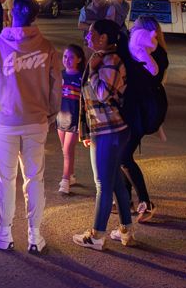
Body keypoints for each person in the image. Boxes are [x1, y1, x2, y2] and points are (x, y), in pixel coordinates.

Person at [0, 0, 61, 253]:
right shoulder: (46, 48)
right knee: (34, 177)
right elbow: (56, 85)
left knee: (5, 179)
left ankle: (4, 231)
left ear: (11, 12)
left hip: (4, 122)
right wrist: (50, 113)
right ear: (35, 16)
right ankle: (35, 235)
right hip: (36, 121)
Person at [72, 18, 135, 250]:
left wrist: (93, 72)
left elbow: (101, 94)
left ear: (104, 38)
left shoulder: (111, 61)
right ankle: (126, 230)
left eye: (91, 33)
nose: (87, 37)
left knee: (102, 184)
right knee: (115, 180)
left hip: (110, 131)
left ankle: (97, 235)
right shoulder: (102, 59)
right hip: (106, 130)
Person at [120, 18, 169, 223]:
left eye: (137, 26)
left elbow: (152, 78)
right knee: (125, 153)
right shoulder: (134, 47)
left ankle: (145, 202)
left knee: (124, 155)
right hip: (136, 107)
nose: (132, 28)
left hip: (142, 109)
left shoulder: (155, 54)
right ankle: (125, 200)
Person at [56, 44, 85, 196]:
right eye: (65, 56)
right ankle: (71, 175)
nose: (67, 60)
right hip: (61, 118)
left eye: (71, 57)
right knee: (66, 150)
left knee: (67, 150)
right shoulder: (60, 75)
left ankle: (65, 181)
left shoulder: (82, 77)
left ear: (79, 59)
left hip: (75, 120)